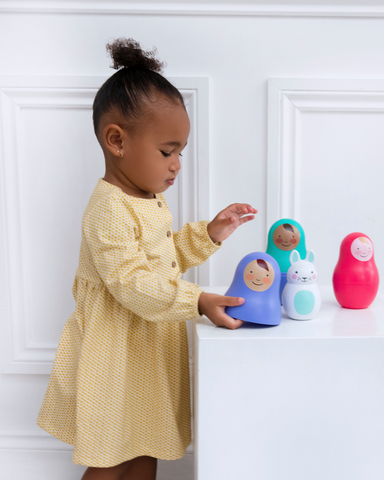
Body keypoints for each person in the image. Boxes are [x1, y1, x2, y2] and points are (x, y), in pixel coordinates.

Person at [36, 38, 256, 480]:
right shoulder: (109, 208)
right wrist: (197, 301)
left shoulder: (148, 200)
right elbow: (132, 282)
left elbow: (161, 259)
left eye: (180, 153)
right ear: (116, 140)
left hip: (148, 349)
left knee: (146, 445)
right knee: (111, 455)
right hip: (115, 353)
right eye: (166, 151)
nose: (176, 165)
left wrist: (207, 235)